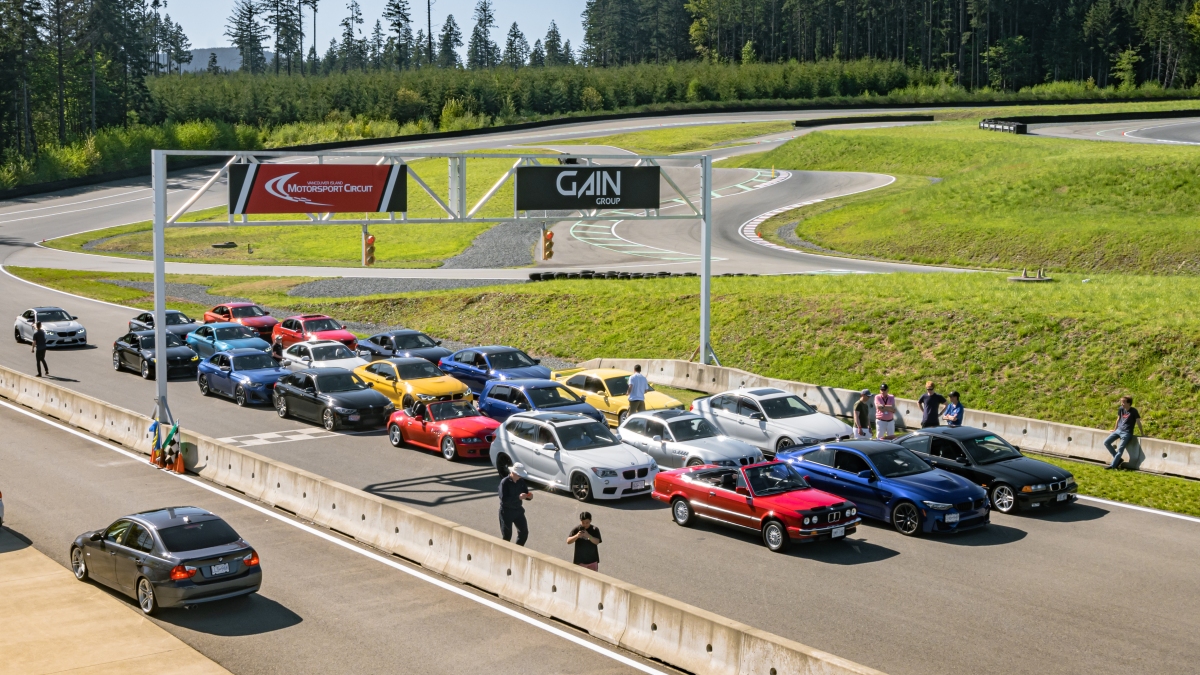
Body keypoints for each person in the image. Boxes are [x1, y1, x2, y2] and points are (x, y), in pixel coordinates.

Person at [1104, 396, 1144, 470]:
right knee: (1106, 442)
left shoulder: (1134, 411)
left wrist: (1142, 433)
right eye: (1121, 402)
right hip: (1119, 430)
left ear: (1129, 403)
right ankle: (1118, 460)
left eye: (1123, 402)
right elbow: (1118, 419)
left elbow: (1138, 422)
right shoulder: (1121, 409)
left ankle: (1113, 465)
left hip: (1127, 433)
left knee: (1120, 450)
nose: (1122, 404)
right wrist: (1114, 429)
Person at [498, 462, 533, 545]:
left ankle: (518, 548)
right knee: (507, 536)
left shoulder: (521, 481)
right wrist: (518, 497)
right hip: (506, 511)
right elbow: (504, 500)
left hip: (518, 510)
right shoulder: (504, 482)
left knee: (524, 532)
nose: (520, 477)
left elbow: (525, 493)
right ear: (513, 473)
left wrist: (529, 496)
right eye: (518, 475)